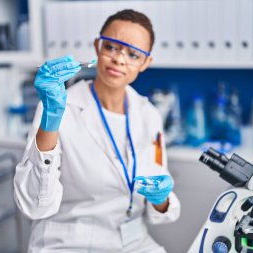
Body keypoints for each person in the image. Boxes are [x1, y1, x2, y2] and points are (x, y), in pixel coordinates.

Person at [14, 9, 180, 253]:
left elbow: (159, 190)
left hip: (133, 241)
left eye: (133, 54)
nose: (119, 59)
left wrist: (162, 199)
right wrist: (51, 121)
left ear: (145, 63)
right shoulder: (60, 107)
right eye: (112, 47)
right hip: (69, 242)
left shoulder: (148, 114)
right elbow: (34, 205)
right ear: (97, 46)